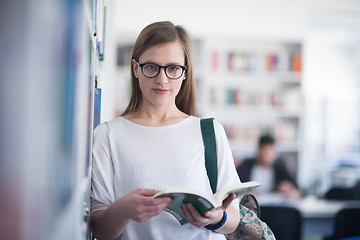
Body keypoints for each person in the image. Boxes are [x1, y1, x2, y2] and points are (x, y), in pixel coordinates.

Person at [90, 21, 242, 240]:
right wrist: (123, 210)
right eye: (151, 67)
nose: (162, 79)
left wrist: (217, 218)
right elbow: (101, 231)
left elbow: (233, 219)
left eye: (173, 68)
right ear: (135, 68)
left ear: (185, 73)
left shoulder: (209, 131)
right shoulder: (108, 135)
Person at [237, 134, 302, 198]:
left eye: (269, 151)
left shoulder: (280, 167)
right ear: (258, 151)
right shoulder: (245, 166)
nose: (266, 155)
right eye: (263, 151)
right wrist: (244, 193)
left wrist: (290, 191)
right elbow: (235, 188)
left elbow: (299, 191)